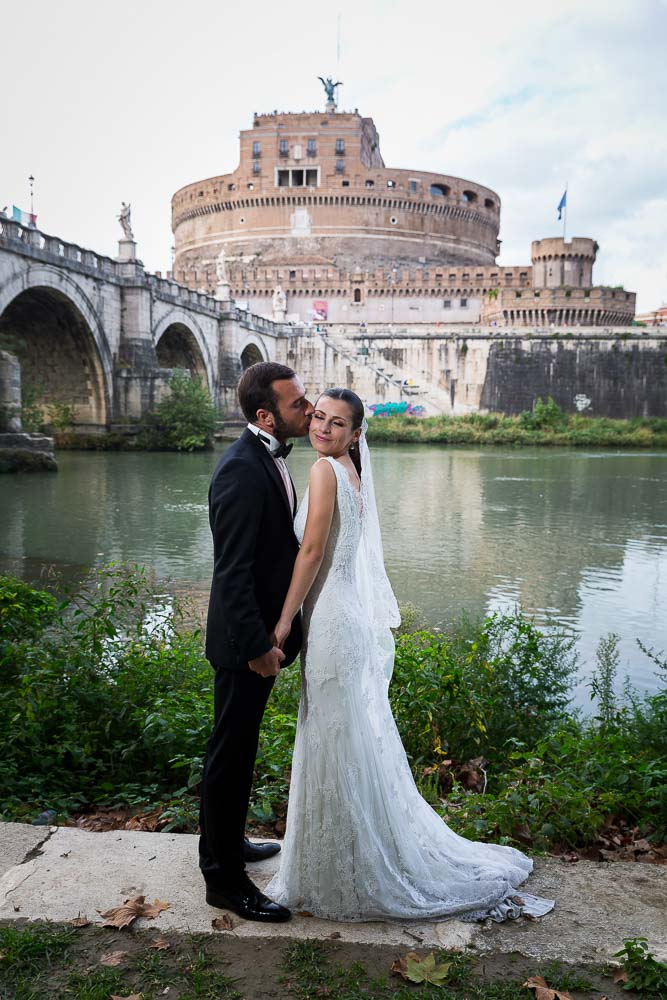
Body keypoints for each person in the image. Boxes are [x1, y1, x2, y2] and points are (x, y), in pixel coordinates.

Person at [266, 388, 555, 923]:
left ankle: (340, 868)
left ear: (356, 434)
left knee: (334, 738)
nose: (323, 428)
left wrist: (283, 620)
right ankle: (350, 858)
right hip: (347, 614)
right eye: (319, 418)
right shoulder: (352, 474)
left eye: (338, 423)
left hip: (330, 618)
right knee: (348, 741)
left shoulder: (324, 473)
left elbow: (310, 552)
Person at [199, 361, 314, 922]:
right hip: (244, 644)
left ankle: (231, 843)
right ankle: (223, 880)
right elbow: (233, 572)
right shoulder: (242, 470)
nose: (309, 408)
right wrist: (256, 647)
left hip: (260, 637)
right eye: (298, 404)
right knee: (229, 755)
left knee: (239, 753)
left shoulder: (264, 460)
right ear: (266, 414)